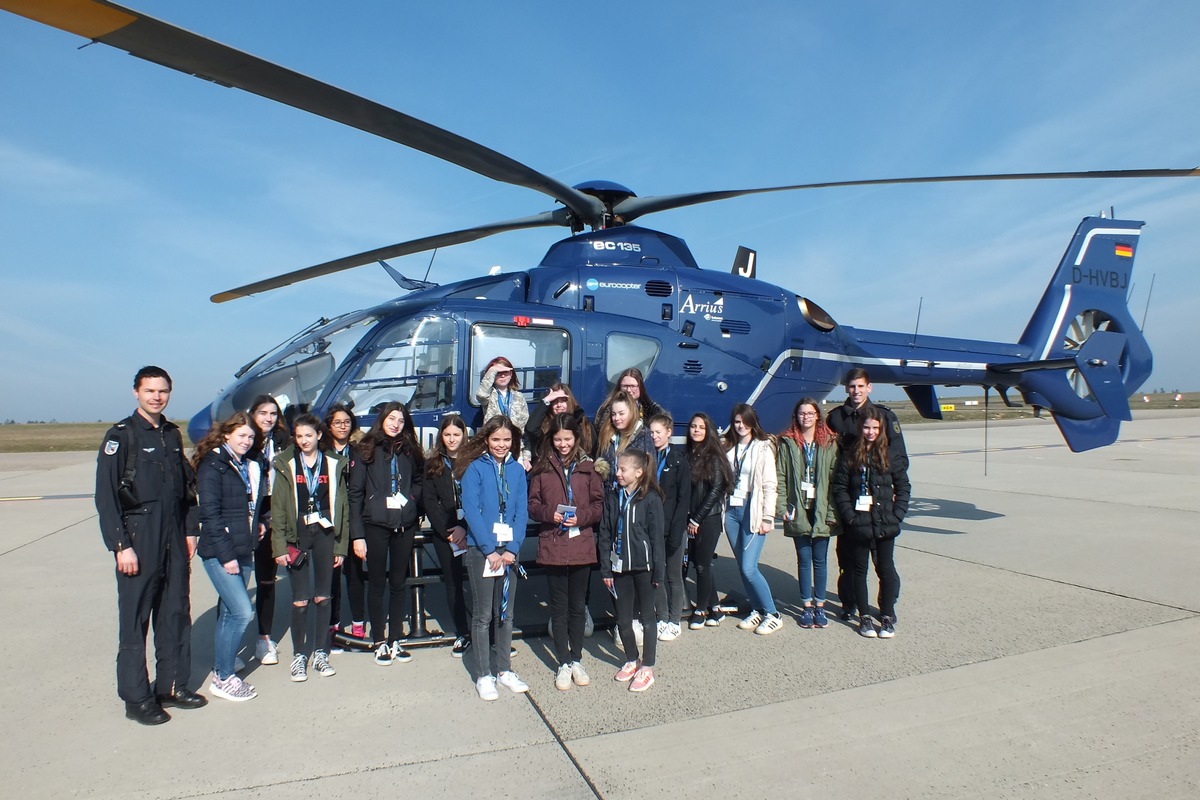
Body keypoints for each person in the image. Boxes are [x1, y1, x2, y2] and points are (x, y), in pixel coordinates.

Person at [96, 365, 202, 725]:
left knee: (175, 613)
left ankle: (172, 685)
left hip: (173, 534)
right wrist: (119, 545)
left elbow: (187, 489)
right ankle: (136, 696)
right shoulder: (121, 436)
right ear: (136, 392)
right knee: (135, 619)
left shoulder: (172, 435)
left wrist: (190, 530)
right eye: (150, 390)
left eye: (163, 391)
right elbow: (106, 496)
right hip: (139, 535)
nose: (157, 396)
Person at [527, 413, 604, 691]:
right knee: (559, 608)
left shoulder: (588, 467)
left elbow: (598, 505)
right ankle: (562, 661)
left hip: (581, 544)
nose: (563, 444)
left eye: (568, 439)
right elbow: (533, 505)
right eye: (558, 439)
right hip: (554, 544)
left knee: (577, 607)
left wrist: (581, 517)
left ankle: (576, 658)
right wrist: (552, 514)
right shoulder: (541, 468)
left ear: (576, 438)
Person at [194, 412, 268, 702]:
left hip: (243, 546)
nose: (247, 441)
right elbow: (210, 516)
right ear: (226, 434)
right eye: (241, 435)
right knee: (241, 611)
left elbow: (249, 504)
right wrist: (227, 557)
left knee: (228, 613)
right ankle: (223, 677)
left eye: (251, 437)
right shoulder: (214, 466)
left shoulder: (246, 463)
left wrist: (259, 524)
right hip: (221, 551)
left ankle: (222, 664)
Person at [270, 414, 349, 682]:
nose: (304, 440)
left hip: (326, 532)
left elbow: (344, 508)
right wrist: (279, 545)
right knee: (300, 598)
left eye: (309, 435)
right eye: (299, 436)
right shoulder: (286, 464)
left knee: (323, 596)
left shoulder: (334, 463)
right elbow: (279, 508)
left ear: (318, 435)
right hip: (298, 534)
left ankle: (320, 652)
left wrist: (341, 546)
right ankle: (299, 655)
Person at [457, 416, 530, 701]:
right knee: (483, 614)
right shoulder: (475, 469)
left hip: (509, 553)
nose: (502, 445)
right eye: (496, 439)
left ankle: (504, 669)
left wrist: (512, 548)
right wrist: (489, 550)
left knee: (506, 614)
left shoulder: (517, 470)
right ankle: (483, 674)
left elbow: (521, 512)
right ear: (487, 439)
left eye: (507, 440)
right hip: (482, 551)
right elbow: (471, 511)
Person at [825, 368, 908, 620]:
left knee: (884, 564)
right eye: (852, 387)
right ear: (846, 389)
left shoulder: (884, 416)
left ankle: (886, 608)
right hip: (850, 503)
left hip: (880, 505)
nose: (856, 391)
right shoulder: (835, 418)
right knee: (848, 561)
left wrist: (892, 504)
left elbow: (900, 460)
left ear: (869, 387)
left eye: (861, 386)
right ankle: (849, 603)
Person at [349, 402, 424, 666]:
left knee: (399, 583)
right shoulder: (366, 449)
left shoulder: (410, 450)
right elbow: (355, 493)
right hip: (376, 525)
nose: (396, 424)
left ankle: (396, 638)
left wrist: (412, 500)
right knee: (378, 583)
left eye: (401, 420)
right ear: (382, 419)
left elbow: (418, 479)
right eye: (391, 419)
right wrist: (357, 535)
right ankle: (379, 640)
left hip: (404, 523)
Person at [597, 450, 665, 692]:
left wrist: (659, 572)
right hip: (619, 568)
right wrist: (605, 569)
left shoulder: (651, 498)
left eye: (622, 469)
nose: (617, 473)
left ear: (639, 472)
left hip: (644, 568)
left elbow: (657, 538)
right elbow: (604, 532)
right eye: (617, 468)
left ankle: (647, 667)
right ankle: (631, 659)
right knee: (623, 620)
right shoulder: (613, 496)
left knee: (647, 618)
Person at [777, 398, 839, 629]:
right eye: (802, 414)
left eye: (810, 413)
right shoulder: (788, 442)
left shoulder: (830, 442)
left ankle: (820, 607)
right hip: (798, 508)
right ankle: (806, 606)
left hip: (821, 508)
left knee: (820, 560)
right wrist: (782, 507)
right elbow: (781, 476)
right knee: (803, 560)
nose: (806, 417)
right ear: (797, 416)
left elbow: (834, 481)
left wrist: (832, 512)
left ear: (817, 416)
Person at [723, 404, 782, 635]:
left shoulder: (762, 448)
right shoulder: (729, 447)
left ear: (753, 422)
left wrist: (768, 517)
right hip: (731, 511)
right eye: (737, 421)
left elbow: (770, 485)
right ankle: (757, 609)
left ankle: (773, 613)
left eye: (745, 421)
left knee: (749, 568)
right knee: (742, 565)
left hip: (752, 509)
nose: (741, 426)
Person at [422, 415, 473, 658]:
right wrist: (449, 531)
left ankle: (491, 634)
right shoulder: (433, 464)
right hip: (447, 534)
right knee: (453, 584)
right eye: (447, 434)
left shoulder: (475, 460)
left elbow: (481, 497)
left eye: (456, 434)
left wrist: (465, 526)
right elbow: (430, 501)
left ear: (464, 435)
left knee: (483, 584)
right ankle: (463, 633)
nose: (452, 439)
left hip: (473, 529)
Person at [247, 395, 291, 667]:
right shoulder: (243, 441)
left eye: (273, 413)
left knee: (266, 580)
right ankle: (227, 644)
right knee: (236, 582)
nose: (268, 418)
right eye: (262, 412)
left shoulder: (283, 442)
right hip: (247, 513)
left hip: (274, 511)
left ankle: (264, 639)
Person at [685, 412, 733, 630]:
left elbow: (715, 490)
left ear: (708, 431)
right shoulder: (688, 454)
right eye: (693, 426)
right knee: (698, 562)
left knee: (703, 565)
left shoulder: (713, 457)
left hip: (708, 518)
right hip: (692, 517)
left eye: (701, 427)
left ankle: (700, 610)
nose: (696, 430)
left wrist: (697, 518)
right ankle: (714, 606)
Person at [323, 403, 366, 645]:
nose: (343, 426)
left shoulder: (358, 452)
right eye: (338, 422)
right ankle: (333, 623)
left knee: (355, 574)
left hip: (354, 519)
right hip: (329, 522)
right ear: (329, 426)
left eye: (347, 422)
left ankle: (358, 623)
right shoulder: (322, 454)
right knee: (332, 576)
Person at [647, 412, 691, 642]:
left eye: (658, 432)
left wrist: (678, 528)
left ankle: (675, 620)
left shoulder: (677, 459)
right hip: (654, 526)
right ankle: (661, 617)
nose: (654, 436)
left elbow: (684, 498)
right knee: (657, 575)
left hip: (673, 525)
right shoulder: (648, 458)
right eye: (652, 432)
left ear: (669, 433)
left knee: (673, 576)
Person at [596, 390, 654, 488]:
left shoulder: (643, 435)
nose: (616, 418)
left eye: (621, 413)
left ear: (632, 412)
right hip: (610, 498)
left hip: (634, 496)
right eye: (613, 414)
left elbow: (651, 470)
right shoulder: (607, 434)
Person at [525, 382, 594, 461]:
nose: (559, 405)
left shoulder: (583, 423)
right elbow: (531, 428)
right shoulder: (545, 425)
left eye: (563, 400)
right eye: (554, 401)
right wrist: (546, 400)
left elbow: (594, 450)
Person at [594, 368, 664, 431]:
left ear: (640, 387)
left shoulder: (653, 411)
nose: (629, 390)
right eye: (625, 386)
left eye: (633, 386)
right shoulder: (607, 409)